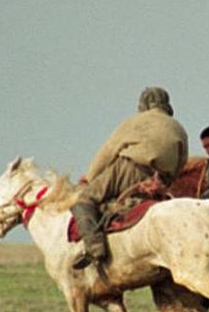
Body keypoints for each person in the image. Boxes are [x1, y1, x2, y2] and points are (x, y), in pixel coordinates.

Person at [71, 87, 188, 269]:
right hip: (160, 179)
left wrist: (90, 177)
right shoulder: (177, 127)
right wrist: (164, 183)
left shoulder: (134, 122)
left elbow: (108, 151)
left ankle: (94, 247)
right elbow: (182, 161)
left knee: (83, 200)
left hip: (128, 169)